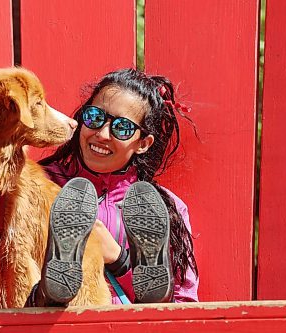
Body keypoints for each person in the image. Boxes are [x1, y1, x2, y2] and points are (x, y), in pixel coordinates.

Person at [26, 68, 198, 306]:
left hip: (124, 325)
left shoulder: (162, 207)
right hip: (47, 325)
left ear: (143, 143)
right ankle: (50, 293)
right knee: (45, 291)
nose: (102, 134)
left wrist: (117, 258)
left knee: (162, 303)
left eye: (122, 128)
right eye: (95, 117)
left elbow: (185, 303)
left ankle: (150, 294)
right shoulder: (35, 185)